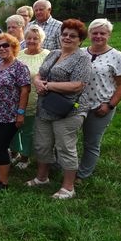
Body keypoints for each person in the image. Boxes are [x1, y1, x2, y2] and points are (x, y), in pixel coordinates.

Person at [28, 19, 92, 199]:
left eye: (73, 36)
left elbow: (78, 85)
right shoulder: (54, 53)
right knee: (42, 145)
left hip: (68, 110)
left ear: (80, 40)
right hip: (46, 107)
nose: (67, 38)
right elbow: (40, 73)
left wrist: (47, 86)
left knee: (65, 147)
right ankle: (42, 178)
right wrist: (38, 81)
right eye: (64, 34)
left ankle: (68, 187)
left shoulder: (82, 58)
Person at [77, 19, 121, 180]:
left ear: (109, 35)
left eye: (102, 33)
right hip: (77, 104)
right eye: (95, 33)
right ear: (89, 34)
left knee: (91, 143)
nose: (98, 36)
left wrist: (110, 105)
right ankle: (64, 166)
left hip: (100, 106)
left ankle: (83, 174)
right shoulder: (81, 52)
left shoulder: (117, 56)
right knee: (67, 138)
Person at [0, 33, 30, 191]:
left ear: (14, 47)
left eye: (6, 45)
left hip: (9, 115)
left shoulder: (20, 67)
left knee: (0, 146)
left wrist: (20, 113)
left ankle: (3, 182)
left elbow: (25, 91)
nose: (2, 48)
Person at [9, 25, 50, 169]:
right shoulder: (18, 54)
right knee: (13, 127)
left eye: (35, 38)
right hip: (16, 99)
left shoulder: (48, 55)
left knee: (28, 130)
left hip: (36, 99)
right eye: (28, 38)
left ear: (41, 40)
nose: (31, 41)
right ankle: (14, 153)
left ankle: (25, 157)